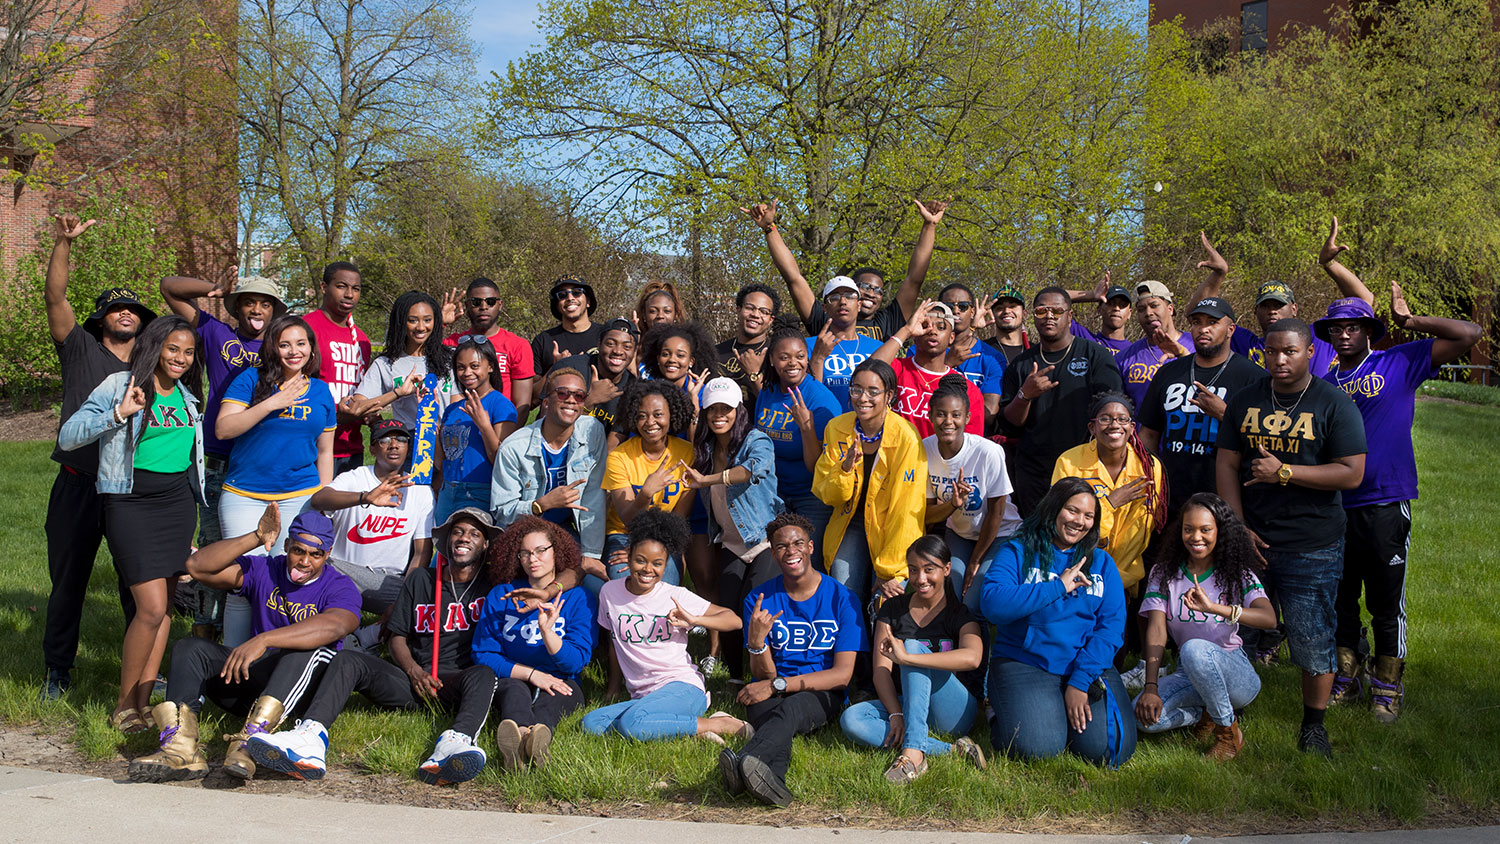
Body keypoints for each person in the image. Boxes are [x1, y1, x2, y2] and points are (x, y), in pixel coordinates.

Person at [1315, 283, 1481, 722]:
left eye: (1354, 326)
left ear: (1371, 331)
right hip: (1336, 505)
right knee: (1342, 597)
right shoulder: (1325, 384)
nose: (1344, 334)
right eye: (1336, 328)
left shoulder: (1400, 362)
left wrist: (1411, 322)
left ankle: (1388, 685)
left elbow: (1470, 333)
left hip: (1387, 501)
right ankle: (1347, 677)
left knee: (1386, 601)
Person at [245, 508, 501, 784]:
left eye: (475, 534)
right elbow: (396, 637)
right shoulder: (421, 580)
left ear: (485, 545)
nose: (465, 538)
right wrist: (413, 671)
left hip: (458, 683)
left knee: (484, 674)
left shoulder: (494, 586)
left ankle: (454, 744)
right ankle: (310, 737)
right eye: (458, 531)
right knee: (347, 659)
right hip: (413, 681)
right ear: (447, 539)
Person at [1216, 317, 1367, 757]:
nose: (1279, 360)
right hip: (1251, 539)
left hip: (1311, 544)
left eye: (1290, 352)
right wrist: (1237, 526)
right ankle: (1224, 715)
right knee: (1233, 629)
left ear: (1310, 354)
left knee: (1311, 636)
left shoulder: (1333, 404)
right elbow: (1227, 465)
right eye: (1272, 352)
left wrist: (1284, 472)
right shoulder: (1246, 401)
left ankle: (1313, 726)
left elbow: (1351, 472)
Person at [128, 507, 360, 782]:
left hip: (299, 694)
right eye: (298, 551)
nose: (304, 562)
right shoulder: (267, 569)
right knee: (190, 648)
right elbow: (197, 567)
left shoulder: (340, 586)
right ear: (286, 546)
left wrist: (264, 639)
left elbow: (337, 625)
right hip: (253, 681)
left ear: (328, 553)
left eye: (316, 554)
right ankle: (180, 749)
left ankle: (250, 744)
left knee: (307, 649)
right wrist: (256, 536)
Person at [58, 315, 205, 732]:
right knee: (151, 607)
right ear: (155, 346)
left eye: (188, 352)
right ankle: (123, 705)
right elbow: (68, 436)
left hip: (177, 504)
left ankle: (144, 704)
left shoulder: (188, 396)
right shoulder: (121, 386)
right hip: (131, 501)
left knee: (165, 613)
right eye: (172, 349)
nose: (180, 358)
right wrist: (119, 414)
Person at [40, 212, 154, 700]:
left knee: (140, 588)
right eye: (115, 308)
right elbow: (55, 298)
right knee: (68, 584)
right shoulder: (80, 348)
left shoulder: (155, 365)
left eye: (132, 309)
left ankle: (146, 676)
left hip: (130, 490)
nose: (125, 312)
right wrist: (64, 244)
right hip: (78, 483)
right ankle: (56, 673)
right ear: (101, 318)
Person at [980, 477, 1135, 766]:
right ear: (1053, 509)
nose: (1080, 522)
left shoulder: (1102, 562)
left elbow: (1111, 628)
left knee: (1110, 750)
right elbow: (993, 604)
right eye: (1072, 511)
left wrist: (1080, 681)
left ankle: (1056, 712)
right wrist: (1058, 587)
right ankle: (998, 710)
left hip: (1084, 664)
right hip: (1026, 662)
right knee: (1038, 750)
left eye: (1089, 516)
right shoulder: (1017, 551)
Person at [718, 513, 867, 808]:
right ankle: (774, 783)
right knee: (777, 718)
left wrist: (777, 686)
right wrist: (757, 643)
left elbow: (842, 675)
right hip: (769, 685)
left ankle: (747, 760)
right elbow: (763, 673)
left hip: (820, 690)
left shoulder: (843, 598)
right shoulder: (759, 599)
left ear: (811, 547)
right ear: (773, 553)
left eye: (798, 543)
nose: (791, 551)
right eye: (782, 546)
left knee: (790, 709)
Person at [216, 314, 337, 647]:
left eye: (301, 343)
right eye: (284, 344)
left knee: (291, 580)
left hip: (299, 496)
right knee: (243, 581)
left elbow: (325, 451)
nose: (293, 351)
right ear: (273, 348)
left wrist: (321, 502)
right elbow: (223, 429)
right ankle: (232, 665)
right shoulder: (250, 381)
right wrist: (274, 402)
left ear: (311, 349)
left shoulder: (322, 392)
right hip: (245, 495)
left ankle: (276, 660)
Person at [582, 509, 751, 742]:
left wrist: (694, 620)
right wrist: (613, 688)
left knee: (631, 725)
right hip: (642, 696)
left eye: (657, 564)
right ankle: (688, 728)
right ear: (628, 556)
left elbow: (734, 620)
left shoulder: (675, 595)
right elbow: (615, 642)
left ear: (665, 565)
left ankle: (719, 723)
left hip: (682, 688)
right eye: (640, 560)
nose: (648, 570)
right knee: (591, 723)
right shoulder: (610, 593)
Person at [1134, 493, 1275, 762]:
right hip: (1188, 673)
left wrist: (1214, 608)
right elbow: (1156, 631)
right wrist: (1150, 687)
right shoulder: (1164, 573)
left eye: (1205, 530)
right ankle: (1204, 714)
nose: (1196, 537)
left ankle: (1227, 733)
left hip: (1236, 675)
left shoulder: (1237, 572)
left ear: (1220, 532)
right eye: (1189, 529)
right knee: (1144, 718)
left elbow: (1268, 618)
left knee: (1194, 649)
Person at [839, 535, 987, 783]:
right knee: (852, 719)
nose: (920, 579)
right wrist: (896, 714)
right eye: (914, 570)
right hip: (908, 704)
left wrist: (909, 657)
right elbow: (881, 671)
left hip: (952, 712)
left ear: (947, 569)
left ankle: (912, 757)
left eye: (930, 570)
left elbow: (973, 658)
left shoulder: (959, 614)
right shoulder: (893, 609)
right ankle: (952, 750)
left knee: (914, 648)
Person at [471, 517, 597, 770]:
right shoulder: (502, 595)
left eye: (541, 550)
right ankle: (519, 736)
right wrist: (532, 675)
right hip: (514, 675)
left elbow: (577, 660)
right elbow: (483, 653)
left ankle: (533, 740)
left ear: (556, 552)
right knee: (514, 692)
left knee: (554, 698)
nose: (532, 559)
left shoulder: (579, 598)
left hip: (563, 680)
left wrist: (547, 632)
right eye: (525, 553)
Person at [681, 377, 784, 679]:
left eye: (726, 409)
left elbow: (752, 470)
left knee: (754, 603)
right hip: (730, 542)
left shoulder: (757, 440)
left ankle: (765, 674)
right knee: (726, 609)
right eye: (713, 409)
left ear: (739, 410)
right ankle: (736, 678)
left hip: (764, 538)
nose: (719, 416)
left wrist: (707, 479)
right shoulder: (706, 449)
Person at [743, 198, 945, 341]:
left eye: (878, 290)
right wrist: (769, 229)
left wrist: (929, 226)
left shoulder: (887, 322)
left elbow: (914, 279)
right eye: (865, 287)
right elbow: (794, 278)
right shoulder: (826, 319)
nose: (871, 293)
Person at [999, 286, 1125, 516]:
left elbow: (1112, 408)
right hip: (1034, 472)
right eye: (1041, 311)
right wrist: (1024, 394)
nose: (1049, 316)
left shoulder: (1095, 355)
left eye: (1057, 311)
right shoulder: (1021, 364)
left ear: (1069, 316)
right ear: (1032, 317)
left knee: (1078, 535)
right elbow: (1009, 423)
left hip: (1084, 468)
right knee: (1038, 540)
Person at [1189, 221, 1374, 375]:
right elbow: (1197, 313)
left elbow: (1363, 302)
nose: (1272, 311)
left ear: (1294, 309)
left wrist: (1329, 264)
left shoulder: (1317, 337)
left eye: (1279, 304)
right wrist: (1218, 275)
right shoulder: (1245, 343)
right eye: (1265, 305)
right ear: (1255, 312)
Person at [1137, 297, 1267, 517]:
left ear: (1230, 329)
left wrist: (1225, 414)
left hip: (1227, 502)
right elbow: (1149, 434)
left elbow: (1263, 442)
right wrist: (1149, 481)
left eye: (1212, 322)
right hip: (1170, 499)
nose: (1203, 329)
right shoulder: (1169, 372)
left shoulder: (1254, 379)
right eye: (1197, 322)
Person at [812, 359, 927, 603]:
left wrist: (890, 570)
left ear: (889, 396)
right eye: (857, 389)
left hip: (890, 525)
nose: (863, 398)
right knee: (844, 591)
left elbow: (906, 509)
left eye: (873, 391)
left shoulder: (906, 437)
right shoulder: (837, 428)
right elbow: (827, 493)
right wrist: (845, 468)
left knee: (884, 599)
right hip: (850, 522)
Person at [492, 367, 608, 590]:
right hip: (523, 533)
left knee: (596, 589)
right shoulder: (514, 448)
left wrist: (591, 554)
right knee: (523, 588)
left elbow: (593, 497)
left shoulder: (593, 432)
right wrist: (540, 505)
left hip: (566, 531)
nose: (571, 400)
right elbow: (502, 511)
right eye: (563, 393)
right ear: (545, 401)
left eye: (579, 395)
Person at [1051, 392, 1168, 607]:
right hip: (1075, 568)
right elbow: (1063, 523)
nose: (1114, 425)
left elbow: (1141, 530)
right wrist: (1110, 503)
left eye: (1122, 419)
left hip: (1126, 575)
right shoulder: (1069, 462)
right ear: (1092, 428)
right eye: (1105, 419)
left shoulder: (1149, 467)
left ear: (1132, 427)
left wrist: (1114, 577)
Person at [309, 419, 435, 618]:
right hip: (343, 574)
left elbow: (421, 552)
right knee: (320, 566)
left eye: (401, 439)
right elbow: (318, 500)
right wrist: (365, 497)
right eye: (385, 440)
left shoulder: (421, 490)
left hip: (388, 581)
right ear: (372, 448)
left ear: (408, 448)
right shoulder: (355, 478)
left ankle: (366, 638)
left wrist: (407, 597)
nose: (394, 445)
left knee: (422, 606)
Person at [921, 374, 1020, 611]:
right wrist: (953, 505)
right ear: (930, 416)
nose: (948, 421)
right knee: (952, 595)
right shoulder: (924, 449)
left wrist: (975, 561)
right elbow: (928, 515)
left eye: (956, 415)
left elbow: (996, 513)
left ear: (967, 418)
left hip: (1000, 533)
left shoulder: (989, 452)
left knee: (973, 600)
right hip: (960, 533)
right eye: (941, 414)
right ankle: (950, 645)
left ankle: (976, 647)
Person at [600, 381, 698, 588]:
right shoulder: (619, 457)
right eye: (642, 416)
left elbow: (679, 516)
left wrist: (653, 544)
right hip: (623, 535)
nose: (650, 422)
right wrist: (645, 493)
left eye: (658, 415)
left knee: (666, 584)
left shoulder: (687, 453)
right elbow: (626, 518)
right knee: (626, 583)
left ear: (672, 415)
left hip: (666, 535)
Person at [753, 316, 840, 543]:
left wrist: (807, 428)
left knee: (807, 560)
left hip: (811, 496)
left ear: (808, 357)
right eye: (784, 357)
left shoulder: (822, 401)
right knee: (772, 559)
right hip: (773, 492)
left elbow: (817, 468)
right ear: (772, 360)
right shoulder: (767, 392)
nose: (793, 363)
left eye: (800, 356)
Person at [871, 300, 984, 439]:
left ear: (951, 337)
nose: (933, 331)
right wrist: (906, 330)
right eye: (925, 326)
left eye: (941, 327)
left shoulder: (967, 390)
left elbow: (971, 445)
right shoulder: (897, 368)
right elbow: (869, 372)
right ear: (915, 334)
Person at [435, 335, 519, 522]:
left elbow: (501, 460)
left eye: (474, 366)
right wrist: (432, 427)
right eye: (460, 367)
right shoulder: (452, 409)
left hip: (480, 492)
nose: (467, 373)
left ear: (490, 367)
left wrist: (484, 425)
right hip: (448, 491)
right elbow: (441, 462)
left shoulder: (501, 405)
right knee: (444, 549)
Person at [301, 261, 372, 475]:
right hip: (312, 447)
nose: (349, 294)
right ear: (324, 287)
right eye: (341, 286)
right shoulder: (306, 328)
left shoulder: (362, 340)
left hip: (351, 448)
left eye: (356, 289)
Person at [351, 290, 457, 431]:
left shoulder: (451, 357)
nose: (420, 327)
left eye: (427, 320)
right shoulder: (385, 364)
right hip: (410, 445)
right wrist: (397, 393)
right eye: (412, 320)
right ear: (400, 322)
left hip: (448, 440)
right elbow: (356, 407)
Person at [440, 277, 534, 411]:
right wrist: (440, 323)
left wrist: (506, 431)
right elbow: (415, 354)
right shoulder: (452, 343)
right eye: (476, 302)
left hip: (499, 425)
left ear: (500, 305)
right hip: (458, 423)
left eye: (490, 302)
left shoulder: (518, 346)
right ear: (467, 306)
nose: (483, 307)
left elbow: (522, 405)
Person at [554, 317, 639, 446]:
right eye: (610, 344)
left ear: (634, 351)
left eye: (627, 346)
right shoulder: (571, 369)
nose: (618, 351)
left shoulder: (633, 388)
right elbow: (551, 426)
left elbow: (611, 449)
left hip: (596, 457)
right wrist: (590, 401)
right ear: (599, 344)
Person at [806, 277, 884, 413]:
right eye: (834, 297)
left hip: (865, 430)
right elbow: (808, 396)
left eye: (849, 296)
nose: (843, 301)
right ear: (824, 307)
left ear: (859, 305)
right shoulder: (809, 345)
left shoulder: (877, 347)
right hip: (825, 429)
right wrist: (817, 359)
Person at [1113, 280, 1191, 410]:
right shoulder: (1123, 359)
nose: (1148, 313)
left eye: (1154, 305)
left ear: (1170, 309)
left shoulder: (1197, 345)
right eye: (1141, 309)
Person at [936, 282, 1006, 424]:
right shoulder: (919, 351)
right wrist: (946, 364)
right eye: (949, 307)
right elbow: (917, 401)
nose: (955, 311)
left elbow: (988, 413)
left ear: (972, 312)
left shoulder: (993, 358)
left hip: (974, 439)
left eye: (962, 306)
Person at [715, 283, 780, 401]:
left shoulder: (776, 355)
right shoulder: (715, 352)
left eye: (764, 311)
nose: (755, 315)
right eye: (750, 308)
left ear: (771, 320)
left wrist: (754, 374)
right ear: (738, 310)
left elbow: (775, 404)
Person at [532, 274, 602, 375]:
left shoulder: (605, 336)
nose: (570, 298)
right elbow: (533, 389)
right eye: (562, 295)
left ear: (588, 301)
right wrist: (557, 367)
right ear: (557, 306)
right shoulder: (543, 341)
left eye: (577, 292)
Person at [640, 321, 717, 409]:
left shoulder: (704, 393)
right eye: (665, 354)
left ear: (691, 361)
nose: (672, 360)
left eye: (680, 355)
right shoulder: (647, 389)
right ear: (658, 358)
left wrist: (693, 397)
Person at [1067, 273, 1134, 354]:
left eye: (1122, 305)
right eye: (1110, 303)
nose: (1116, 308)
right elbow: (1052, 299)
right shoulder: (1086, 339)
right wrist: (1092, 295)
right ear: (1099, 309)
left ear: (1129, 313)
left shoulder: (1135, 352)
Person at [982, 283, 1031, 364]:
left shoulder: (1036, 351)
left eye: (1012, 306)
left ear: (1024, 314)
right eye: (1000, 308)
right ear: (993, 314)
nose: (1006, 311)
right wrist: (972, 327)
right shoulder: (982, 349)